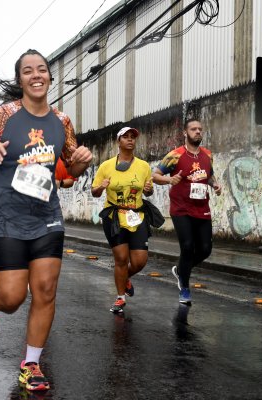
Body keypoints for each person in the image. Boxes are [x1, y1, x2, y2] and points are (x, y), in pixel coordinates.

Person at [0, 49, 92, 392]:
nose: (36, 75)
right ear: (20, 80)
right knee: (12, 297)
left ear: (50, 77)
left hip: (46, 217)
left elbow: (72, 168)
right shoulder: (3, 115)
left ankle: (31, 364)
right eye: (28, 71)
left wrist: (81, 159)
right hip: (4, 217)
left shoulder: (62, 122)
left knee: (46, 290)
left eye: (42, 70)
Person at [152, 119, 221, 304]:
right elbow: (155, 175)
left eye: (200, 129)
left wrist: (215, 184)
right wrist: (169, 180)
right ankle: (184, 287)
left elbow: (208, 174)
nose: (197, 132)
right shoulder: (174, 155)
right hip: (181, 209)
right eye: (193, 129)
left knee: (205, 250)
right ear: (185, 133)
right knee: (188, 247)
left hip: (202, 208)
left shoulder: (208, 154)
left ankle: (180, 270)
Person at [91, 127, 156, 314]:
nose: (130, 140)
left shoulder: (143, 166)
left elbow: (148, 191)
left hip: (136, 215)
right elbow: (94, 192)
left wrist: (149, 189)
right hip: (114, 217)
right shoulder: (106, 166)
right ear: (118, 141)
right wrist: (101, 187)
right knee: (120, 258)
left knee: (140, 261)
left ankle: (124, 277)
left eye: (133, 137)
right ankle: (120, 298)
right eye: (125, 137)